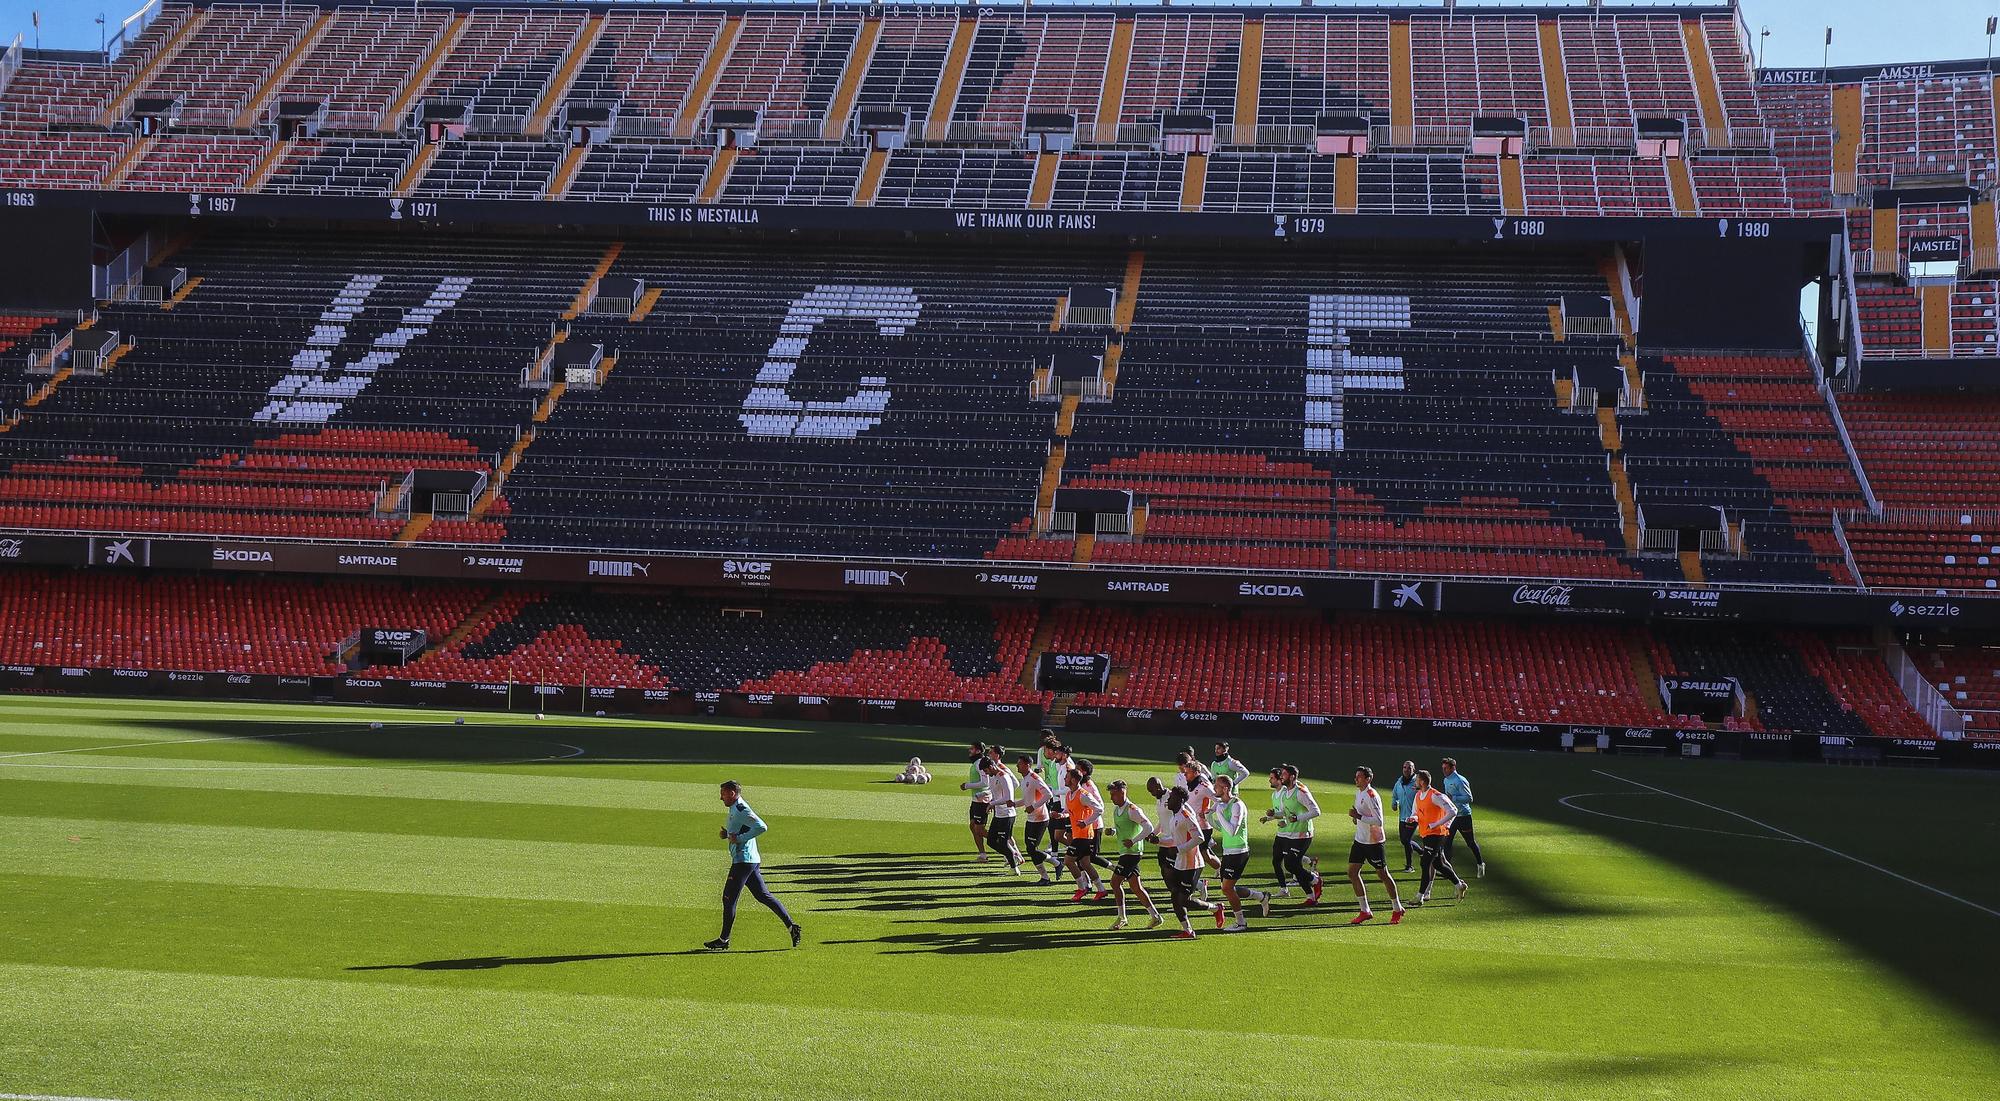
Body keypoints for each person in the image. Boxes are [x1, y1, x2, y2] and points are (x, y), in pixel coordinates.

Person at [707, 781, 802, 951]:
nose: (720, 797)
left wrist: (739, 838)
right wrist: (728, 835)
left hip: (744, 861)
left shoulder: (741, 809)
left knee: (728, 899)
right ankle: (791, 927)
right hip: (749, 860)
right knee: (763, 896)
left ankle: (724, 939)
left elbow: (761, 826)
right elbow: (742, 830)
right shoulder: (735, 808)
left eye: (723, 793)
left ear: (732, 793)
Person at [1206, 773, 1270, 931]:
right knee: (1228, 888)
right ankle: (1261, 896)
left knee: (1227, 888)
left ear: (1225, 788)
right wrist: (1208, 817)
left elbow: (1233, 831)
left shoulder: (1237, 805)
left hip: (1238, 851)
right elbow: (1222, 828)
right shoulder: (1225, 805)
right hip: (1229, 851)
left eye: (1217, 786)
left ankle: (1241, 923)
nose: (1214, 789)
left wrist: (1219, 813)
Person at [1344, 766, 1405, 925]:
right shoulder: (1359, 792)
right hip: (1360, 840)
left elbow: (1378, 821)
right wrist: (1357, 818)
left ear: (1368, 779)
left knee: (1382, 874)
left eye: (1359, 777)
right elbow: (1363, 815)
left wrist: (1358, 816)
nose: (1356, 779)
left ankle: (1397, 907)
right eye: (1356, 776)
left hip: (1374, 842)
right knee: (1352, 872)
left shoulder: (1372, 795)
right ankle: (1365, 910)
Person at [1156, 788, 1218, 939]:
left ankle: (1216, 908)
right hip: (1180, 863)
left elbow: (1200, 838)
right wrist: (1158, 841)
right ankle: (1188, 931)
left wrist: (1179, 849)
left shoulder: (1185, 816)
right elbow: (1175, 840)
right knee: (1175, 897)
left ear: (1179, 800)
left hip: (1193, 864)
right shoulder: (1174, 817)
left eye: (1170, 798)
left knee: (1184, 900)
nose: (1167, 801)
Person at [1105, 780, 1163, 930]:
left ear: (1122, 792)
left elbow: (1148, 826)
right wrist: (1114, 831)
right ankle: (1155, 916)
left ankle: (1122, 917)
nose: (1111, 798)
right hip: (1127, 852)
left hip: (1132, 854)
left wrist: (1134, 841)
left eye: (1113, 794)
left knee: (1115, 883)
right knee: (1136, 887)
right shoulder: (1117, 810)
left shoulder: (1132, 809)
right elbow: (1126, 828)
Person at [1263, 764, 1323, 905]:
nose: (1281, 776)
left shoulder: (1301, 792)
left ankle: (1315, 880)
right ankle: (1311, 897)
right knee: (1294, 865)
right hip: (1291, 834)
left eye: (1283, 774)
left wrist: (1298, 818)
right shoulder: (1285, 793)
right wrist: (1274, 814)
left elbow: (1316, 811)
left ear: (1292, 777)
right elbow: (1286, 813)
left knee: (1290, 864)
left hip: (1303, 834)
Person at [1411, 769, 1468, 905]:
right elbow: (1416, 813)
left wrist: (1437, 824)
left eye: (1417, 779)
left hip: (1436, 835)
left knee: (1425, 863)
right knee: (1438, 864)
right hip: (1426, 834)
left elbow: (1453, 810)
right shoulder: (1419, 795)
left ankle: (1420, 897)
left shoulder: (1435, 795)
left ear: (1422, 781)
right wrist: (1412, 818)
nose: (1415, 781)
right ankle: (1459, 884)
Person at [969, 757, 1023, 874]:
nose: (986, 773)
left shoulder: (1004, 777)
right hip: (999, 815)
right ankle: (1013, 854)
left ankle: (1014, 867)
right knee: (992, 841)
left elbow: (1008, 798)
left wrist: (992, 803)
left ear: (991, 767)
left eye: (986, 770)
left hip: (1007, 815)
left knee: (1003, 842)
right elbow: (995, 794)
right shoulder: (993, 778)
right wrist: (991, 801)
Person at [1064, 760, 1108, 901]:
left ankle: (1082, 888)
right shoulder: (1069, 794)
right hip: (1078, 834)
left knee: (1068, 861)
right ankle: (1101, 890)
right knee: (1085, 864)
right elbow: (1071, 811)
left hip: (1084, 835)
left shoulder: (1083, 795)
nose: (1064, 779)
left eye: (1067, 777)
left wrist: (1086, 822)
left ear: (1074, 780)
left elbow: (1099, 809)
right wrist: (1061, 814)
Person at [1438, 758, 1486, 878]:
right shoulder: (1446, 780)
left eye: (1446, 768)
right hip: (1452, 816)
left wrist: (1453, 798)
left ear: (1453, 768)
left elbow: (1469, 798)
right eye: (1443, 768)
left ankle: (1480, 864)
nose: (1443, 770)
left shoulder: (1460, 780)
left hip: (1464, 816)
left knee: (1470, 842)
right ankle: (1447, 870)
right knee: (1447, 842)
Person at [1016, 754, 1058, 884]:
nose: (1017, 766)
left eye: (1019, 763)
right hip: (1031, 818)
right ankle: (1045, 876)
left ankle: (1055, 864)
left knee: (1032, 849)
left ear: (1027, 765)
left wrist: (1033, 806)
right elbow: (1026, 800)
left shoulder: (1034, 778)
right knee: (1030, 849)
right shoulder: (1024, 780)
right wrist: (1014, 804)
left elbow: (1048, 794)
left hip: (1040, 818)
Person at [1390, 760, 1420, 873]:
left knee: (1406, 840)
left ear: (1413, 769)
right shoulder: (1399, 782)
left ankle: (1410, 866)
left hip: (1414, 816)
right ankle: (1421, 852)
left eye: (1409, 768)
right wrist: (1394, 803)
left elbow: (1425, 792)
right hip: (1402, 817)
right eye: (1405, 767)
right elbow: (1394, 795)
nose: (1406, 770)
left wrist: (1420, 789)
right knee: (1404, 840)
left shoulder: (1417, 782)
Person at [965, 742, 991, 862]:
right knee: (972, 826)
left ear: (979, 751)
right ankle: (982, 854)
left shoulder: (980, 763)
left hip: (982, 800)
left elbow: (985, 783)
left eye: (972, 749)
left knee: (979, 829)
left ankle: (1005, 843)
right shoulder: (976, 763)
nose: (970, 750)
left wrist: (967, 785)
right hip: (976, 800)